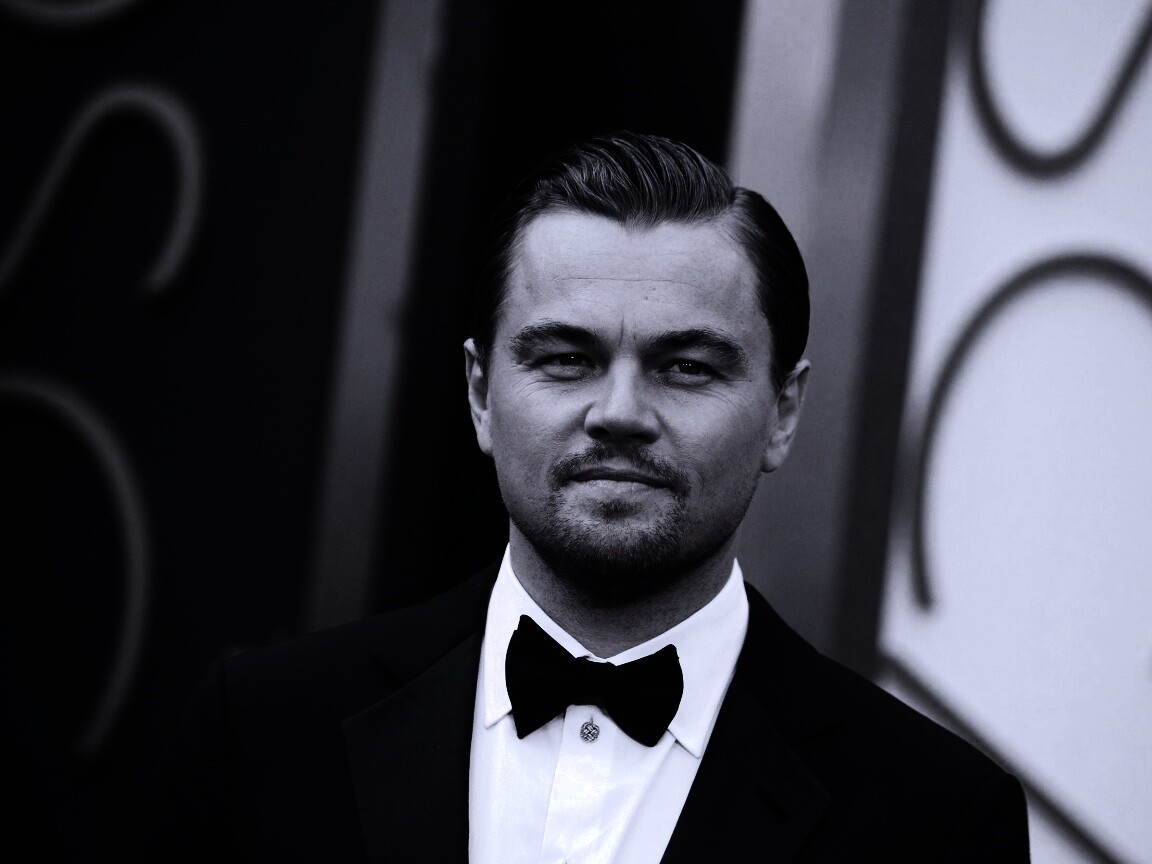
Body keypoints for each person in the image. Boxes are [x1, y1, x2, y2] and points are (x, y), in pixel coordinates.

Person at [148, 133, 1030, 861]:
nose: (619, 414)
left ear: (783, 413)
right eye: (566, 359)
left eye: (686, 367)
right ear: (481, 393)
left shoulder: (938, 819)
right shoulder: (258, 735)